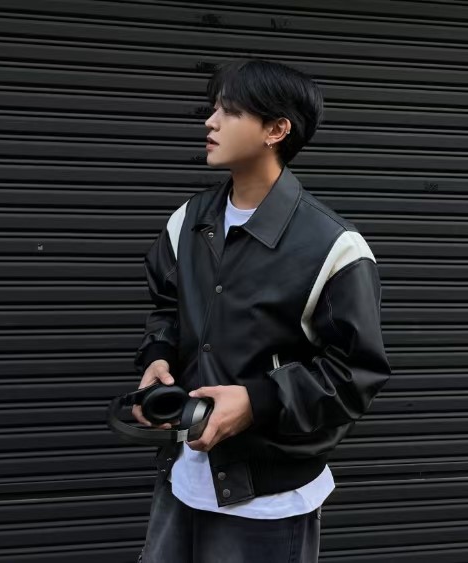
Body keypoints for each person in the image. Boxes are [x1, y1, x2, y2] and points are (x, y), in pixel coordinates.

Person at [132, 58, 392, 563]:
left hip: (268, 500)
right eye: (213, 108)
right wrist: (159, 356)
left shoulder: (335, 247)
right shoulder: (189, 220)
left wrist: (257, 401)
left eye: (230, 111)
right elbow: (168, 305)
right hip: (181, 476)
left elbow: (356, 373)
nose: (211, 122)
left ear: (277, 130)